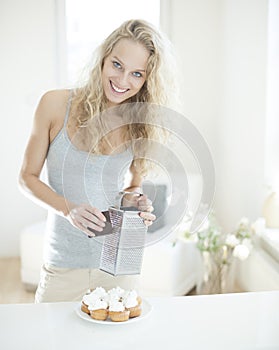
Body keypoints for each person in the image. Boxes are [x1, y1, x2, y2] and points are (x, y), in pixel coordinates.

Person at [19, 19, 177, 302]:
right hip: (63, 264)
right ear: (103, 59)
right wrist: (68, 210)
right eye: (117, 65)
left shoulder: (139, 123)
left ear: (147, 80)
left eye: (137, 74)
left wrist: (136, 202)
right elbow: (26, 178)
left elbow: (132, 187)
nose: (122, 81)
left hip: (119, 265)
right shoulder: (54, 105)